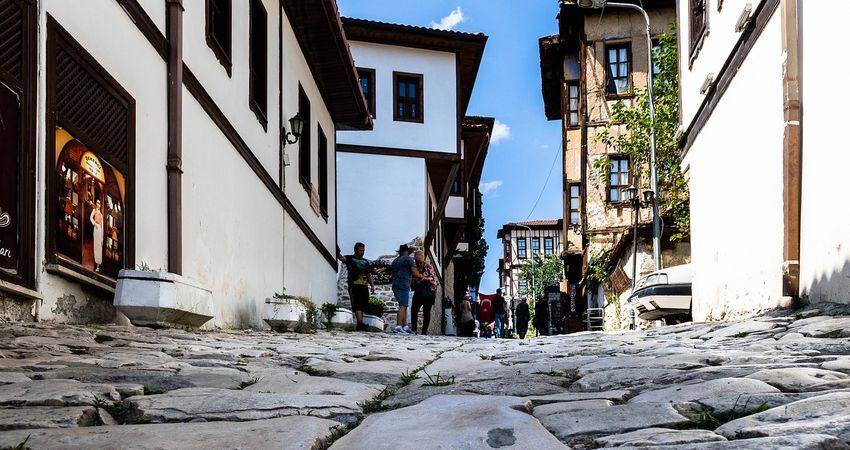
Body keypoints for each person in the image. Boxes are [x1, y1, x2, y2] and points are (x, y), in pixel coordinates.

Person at [338, 243, 375, 331]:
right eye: (360, 250)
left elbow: (369, 274)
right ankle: (360, 322)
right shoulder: (350, 258)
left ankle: (360, 324)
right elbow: (342, 258)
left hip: (364, 285)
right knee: (357, 304)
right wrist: (337, 252)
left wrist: (372, 285)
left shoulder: (365, 262)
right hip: (354, 285)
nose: (362, 252)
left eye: (363, 251)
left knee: (362, 305)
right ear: (355, 249)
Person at [390, 244, 419, 334]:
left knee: (404, 305)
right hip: (404, 285)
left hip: (395, 285)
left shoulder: (395, 261)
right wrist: (421, 276)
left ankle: (405, 326)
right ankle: (398, 326)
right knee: (403, 306)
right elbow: (415, 273)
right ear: (406, 251)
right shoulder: (408, 259)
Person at [410, 250, 438, 335]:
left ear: (423, 257)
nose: (418, 259)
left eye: (420, 256)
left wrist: (424, 279)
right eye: (416, 257)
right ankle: (414, 329)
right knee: (414, 310)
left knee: (427, 312)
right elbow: (412, 279)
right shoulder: (414, 268)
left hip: (428, 292)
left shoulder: (428, 267)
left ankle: (424, 331)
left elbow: (434, 280)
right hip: (418, 291)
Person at [90, 199, 104, 272]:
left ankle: (98, 265)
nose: (98, 204)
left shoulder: (101, 214)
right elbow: (91, 218)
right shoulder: (94, 210)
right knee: (95, 246)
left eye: (99, 203)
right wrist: (94, 224)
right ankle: (95, 264)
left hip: (100, 230)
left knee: (99, 247)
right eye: (97, 203)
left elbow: (102, 226)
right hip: (96, 228)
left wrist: (102, 237)